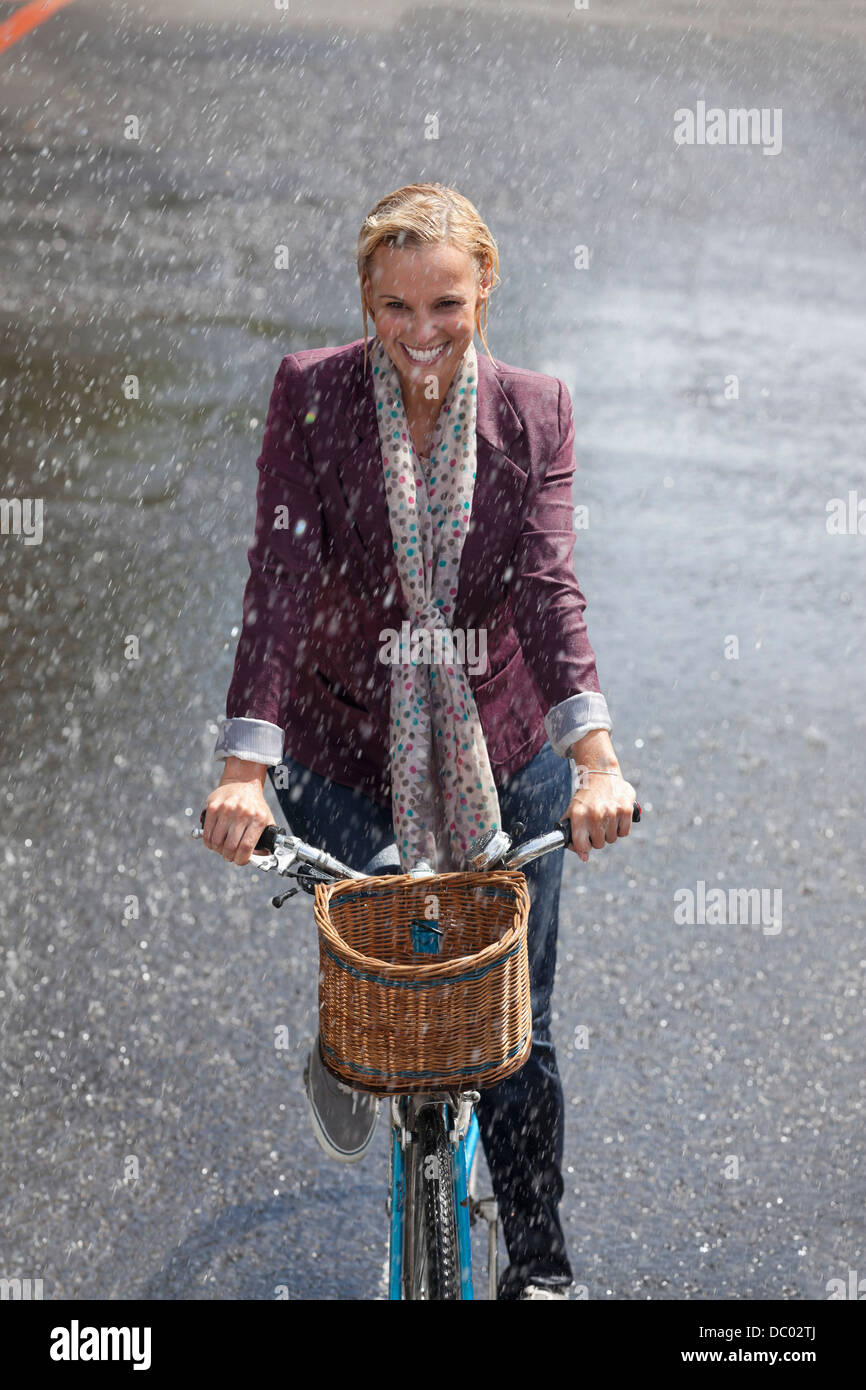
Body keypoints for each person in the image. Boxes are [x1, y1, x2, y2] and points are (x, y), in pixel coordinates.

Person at [202, 182, 636, 1300]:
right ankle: (357, 1032)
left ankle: (539, 1266)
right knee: (394, 933)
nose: (421, 333)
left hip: (504, 745)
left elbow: (546, 588)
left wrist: (591, 756)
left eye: (444, 303)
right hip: (341, 739)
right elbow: (280, 577)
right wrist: (244, 767)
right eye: (394, 308)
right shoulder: (313, 395)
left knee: (511, 1027)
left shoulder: (534, 409)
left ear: (483, 287)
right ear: (366, 302)